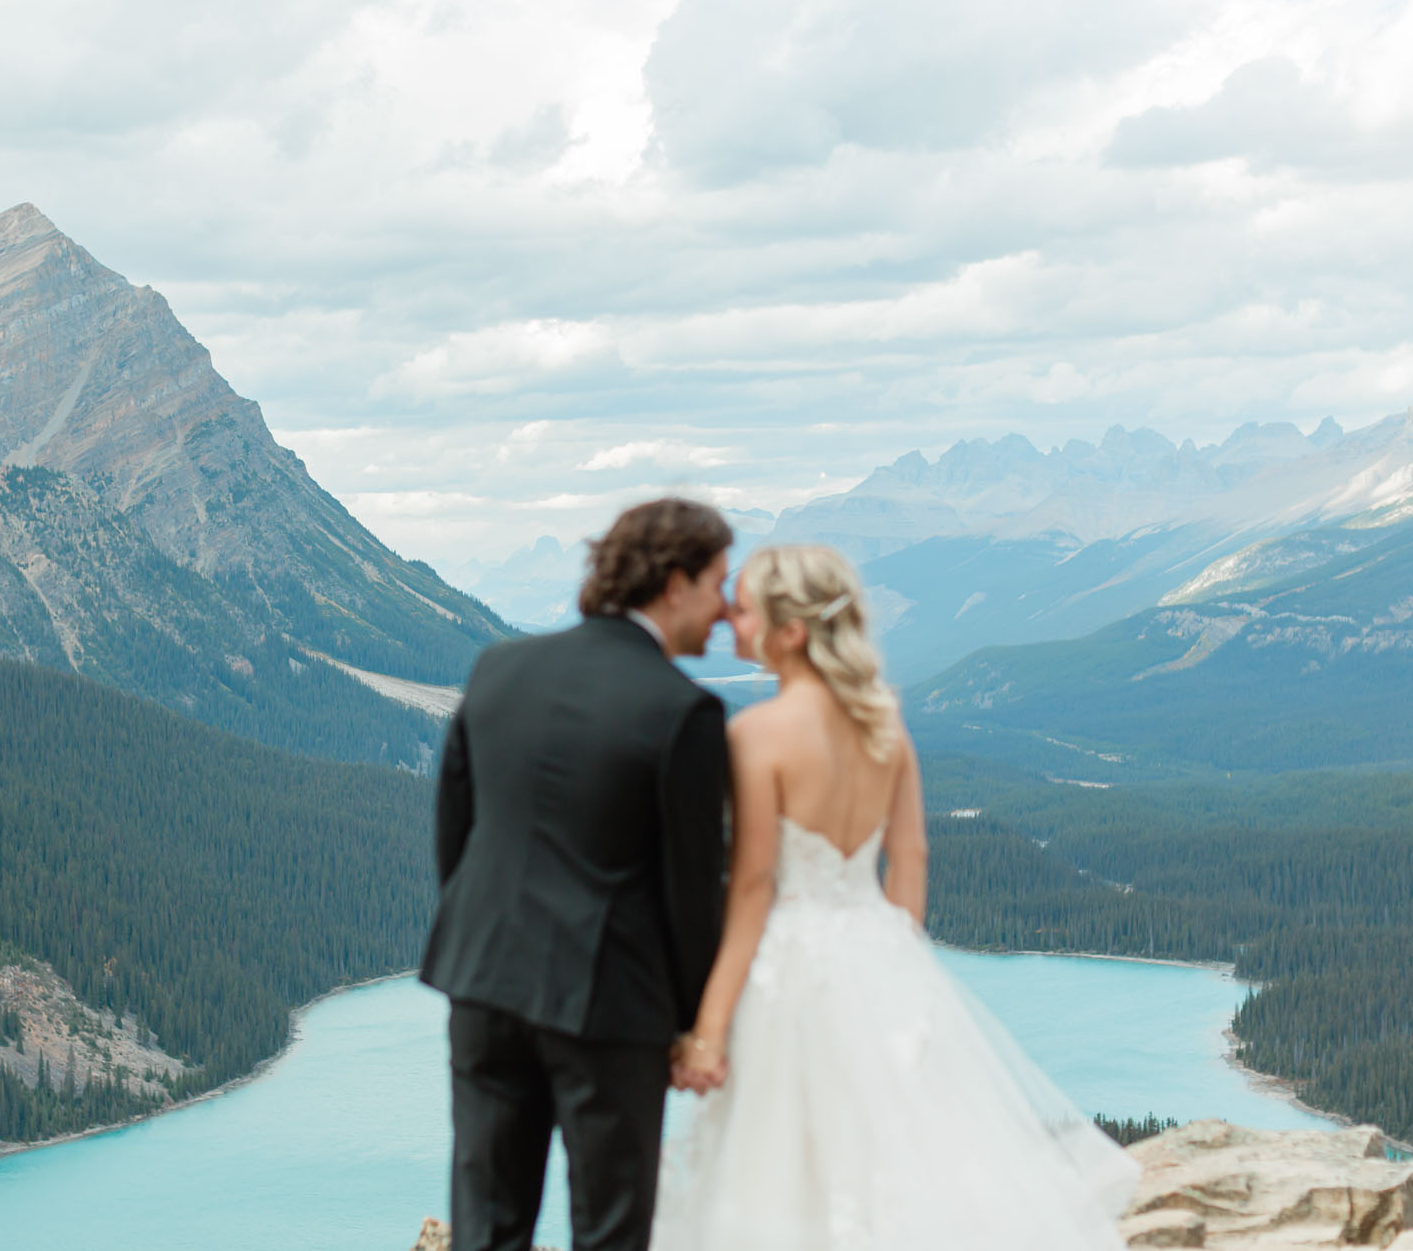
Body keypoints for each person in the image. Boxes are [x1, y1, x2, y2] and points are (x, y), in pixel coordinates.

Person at [652, 543, 1140, 1251]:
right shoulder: (886, 728)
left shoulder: (756, 734)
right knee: (894, 1162)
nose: (730, 618)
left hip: (789, 971)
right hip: (881, 960)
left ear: (791, 631)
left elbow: (754, 885)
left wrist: (710, 1025)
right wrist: (895, 965)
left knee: (777, 1171)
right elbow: (910, 861)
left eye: (746, 608)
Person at [421, 497, 734, 1251]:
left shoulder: (498, 667)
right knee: (610, 1229)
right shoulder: (684, 710)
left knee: (488, 1225)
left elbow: (455, 832)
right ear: (673, 584)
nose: (724, 610)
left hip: (484, 982)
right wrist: (692, 1021)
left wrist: (482, 938)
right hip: (610, 1002)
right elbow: (694, 888)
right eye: (718, 583)